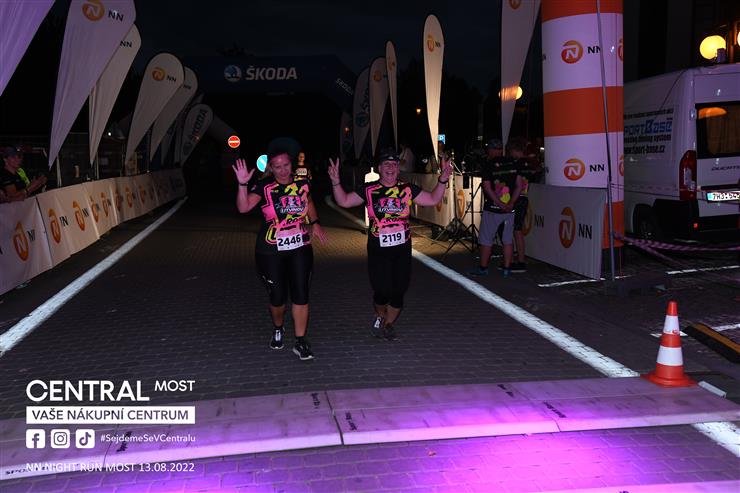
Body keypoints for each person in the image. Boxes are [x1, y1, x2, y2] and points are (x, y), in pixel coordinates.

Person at [328, 147, 452, 340]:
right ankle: (379, 314)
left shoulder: (407, 189)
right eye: (386, 164)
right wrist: (336, 182)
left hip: (402, 249)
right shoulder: (369, 190)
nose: (391, 167)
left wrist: (443, 179)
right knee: (382, 290)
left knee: (399, 291)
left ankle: (388, 324)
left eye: (394, 164)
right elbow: (344, 201)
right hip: (378, 250)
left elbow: (433, 199)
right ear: (379, 168)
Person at [232, 138, 327, 361]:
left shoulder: (302, 183)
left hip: (300, 246)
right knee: (277, 298)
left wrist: (315, 222)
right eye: (277, 167)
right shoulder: (264, 187)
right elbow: (243, 207)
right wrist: (242, 184)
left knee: (301, 294)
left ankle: (300, 341)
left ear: (291, 164)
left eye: (286, 165)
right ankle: (278, 326)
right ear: (271, 168)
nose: (283, 170)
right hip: (270, 250)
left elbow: (309, 202)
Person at [469, 138, 523, 278]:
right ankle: (507, 269)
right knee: (507, 239)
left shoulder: (488, 164)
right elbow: (519, 185)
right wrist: (511, 203)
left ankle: (483, 268)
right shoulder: (514, 163)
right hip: (510, 209)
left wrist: (499, 203)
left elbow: (487, 187)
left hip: (493, 208)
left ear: (492, 150)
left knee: (486, 239)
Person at [510, 137, 543, 272]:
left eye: (511, 151)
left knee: (516, 230)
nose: (510, 154)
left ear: (515, 150)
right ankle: (518, 259)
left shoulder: (518, 163)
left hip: (518, 198)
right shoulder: (530, 163)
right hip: (524, 197)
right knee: (516, 230)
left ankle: (520, 261)